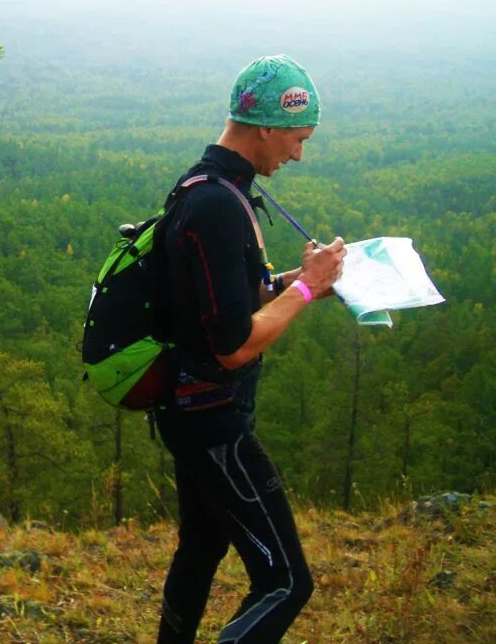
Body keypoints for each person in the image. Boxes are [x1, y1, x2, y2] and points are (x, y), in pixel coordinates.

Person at [155, 55, 346, 644]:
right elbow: (234, 346)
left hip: (190, 411)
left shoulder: (217, 187)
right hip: (213, 423)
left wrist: (302, 278)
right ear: (265, 126)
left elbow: (233, 298)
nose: (298, 154)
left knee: (203, 545)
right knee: (286, 582)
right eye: (297, 137)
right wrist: (310, 289)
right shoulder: (215, 204)